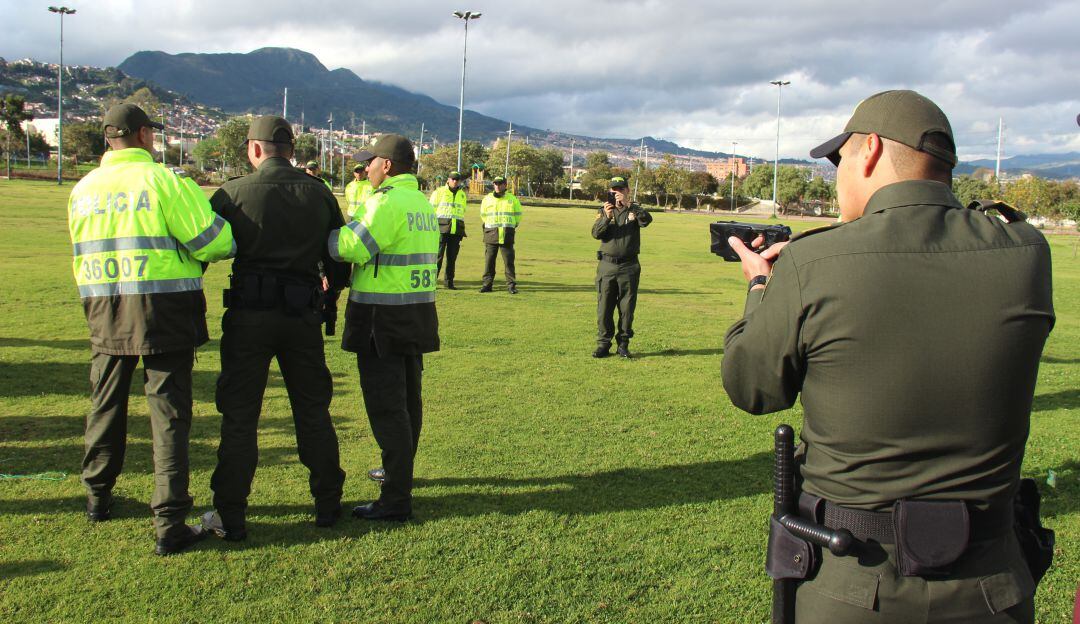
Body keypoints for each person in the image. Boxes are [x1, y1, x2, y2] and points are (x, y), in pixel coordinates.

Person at [721, 90, 1054, 623]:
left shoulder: (814, 259)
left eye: (841, 159)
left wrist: (762, 287)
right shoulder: (1026, 251)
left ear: (870, 150)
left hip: (854, 579)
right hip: (993, 584)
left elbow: (752, 387)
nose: (838, 176)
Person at [67, 103, 236, 556]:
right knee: (169, 415)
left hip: (104, 307)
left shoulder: (82, 189)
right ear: (143, 135)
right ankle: (170, 521)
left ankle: (97, 498)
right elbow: (215, 241)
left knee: (105, 405)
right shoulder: (164, 181)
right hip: (164, 311)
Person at [196, 115, 350, 541]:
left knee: (240, 417)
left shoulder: (232, 192)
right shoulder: (319, 193)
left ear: (255, 149)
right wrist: (330, 294)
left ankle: (231, 512)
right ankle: (328, 503)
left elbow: (204, 248)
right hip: (302, 315)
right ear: (291, 150)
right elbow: (339, 257)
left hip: (249, 316)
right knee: (312, 411)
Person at [328, 134, 439, 521]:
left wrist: (326, 232)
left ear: (387, 165)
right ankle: (398, 475)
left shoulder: (386, 202)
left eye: (370, 161)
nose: (366, 168)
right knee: (409, 403)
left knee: (387, 408)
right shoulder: (421, 202)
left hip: (381, 319)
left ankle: (395, 498)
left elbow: (352, 247)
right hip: (415, 315)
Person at [591, 176, 652, 358]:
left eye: (620, 189)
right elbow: (595, 233)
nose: (617, 193)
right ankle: (603, 344)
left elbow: (647, 220)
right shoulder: (604, 211)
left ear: (627, 190)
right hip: (607, 266)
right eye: (614, 190)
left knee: (626, 308)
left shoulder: (634, 209)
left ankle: (623, 344)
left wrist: (630, 206)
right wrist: (607, 218)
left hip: (629, 266)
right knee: (604, 308)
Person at [479, 176, 522, 294]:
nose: (497, 186)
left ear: (505, 185)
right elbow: (483, 215)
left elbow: (518, 215)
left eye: (500, 183)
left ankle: (511, 286)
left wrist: (511, 226)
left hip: (507, 234)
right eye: (496, 183)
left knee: (509, 262)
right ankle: (487, 285)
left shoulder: (512, 199)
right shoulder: (487, 199)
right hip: (491, 233)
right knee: (489, 261)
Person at [430, 171, 468, 289]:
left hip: (456, 230)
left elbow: (462, 211)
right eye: (453, 179)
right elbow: (431, 210)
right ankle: (432, 282)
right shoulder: (439, 192)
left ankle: (449, 282)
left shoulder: (462, 194)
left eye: (457, 179)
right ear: (448, 180)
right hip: (441, 229)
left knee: (452, 258)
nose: (455, 181)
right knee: (438, 257)